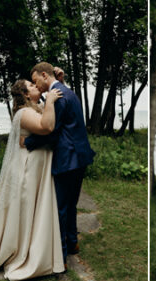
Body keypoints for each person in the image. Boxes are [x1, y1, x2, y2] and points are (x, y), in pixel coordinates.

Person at [0, 79, 65, 279]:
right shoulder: (23, 114)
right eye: (32, 86)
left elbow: (58, 116)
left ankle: (37, 246)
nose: (36, 87)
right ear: (25, 94)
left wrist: (58, 83)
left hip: (38, 166)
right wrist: (50, 101)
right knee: (26, 209)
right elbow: (47, 126)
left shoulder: (36, 107)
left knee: (35, 208)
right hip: (28, 168)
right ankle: (21, 250)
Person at [24, 62, 96, 263]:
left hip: (67, 158)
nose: (35, 84)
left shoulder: (58, 96)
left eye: (36, 80)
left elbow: (52, 131)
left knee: (61, 207)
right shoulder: (67, 91)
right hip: (80, 157)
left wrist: (28, 142)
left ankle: (61, 255)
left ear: (45, 75)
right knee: (71, 204)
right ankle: (73, 242)